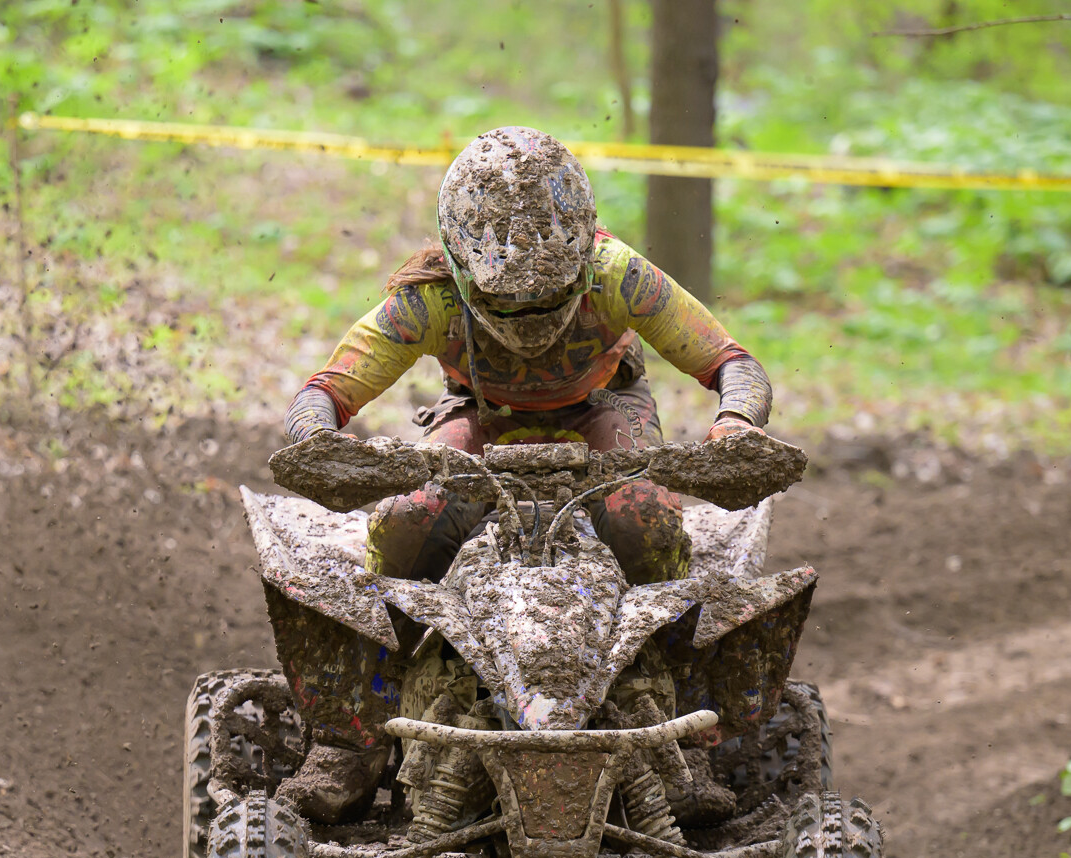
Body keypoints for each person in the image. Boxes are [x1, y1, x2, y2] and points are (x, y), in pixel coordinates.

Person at [274, 126, 774, 822]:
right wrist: (319, 440)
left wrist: (735, 428)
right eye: (508, 304)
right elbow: (327, 389)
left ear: (582, 255)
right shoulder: (430, 299)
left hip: (602, 410)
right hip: (481, 416)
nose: (532, 321)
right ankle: (350, 739)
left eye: (550, 298)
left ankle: (683, 740)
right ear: (460, 263)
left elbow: (732, 363)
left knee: (646, 525)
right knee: (403, 530)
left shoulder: (618, 276)